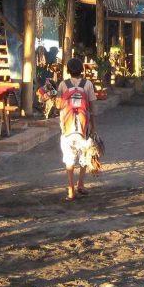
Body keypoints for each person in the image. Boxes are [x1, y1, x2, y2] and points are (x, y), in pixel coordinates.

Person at [56, 58, 97, 200]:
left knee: (69, 159)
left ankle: (70, 189)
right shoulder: (88, 84)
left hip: (67, 129)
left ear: (68, 70)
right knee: (84, 156)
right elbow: (92, 108)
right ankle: (81, 184)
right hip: (83, 128)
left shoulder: (63, 85)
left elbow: (58, 106)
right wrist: (94, 127)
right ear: (82, 70)